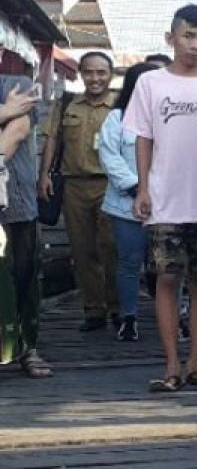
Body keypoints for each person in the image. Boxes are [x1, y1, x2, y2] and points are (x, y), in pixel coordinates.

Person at [127, 5, 197, 392]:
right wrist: (143, 186)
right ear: (170, 38)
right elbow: (144, 137)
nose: (195, 44)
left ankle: (195, 362)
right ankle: (171, 363)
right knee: (167, 279)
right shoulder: (150, 83)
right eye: (188, 36)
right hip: (165, 197)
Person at [38, 51, 119, 331]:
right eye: (89, 72)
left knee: (112, 249)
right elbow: (51, 140)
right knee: (83, 250)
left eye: (101, 73)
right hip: (74, 185)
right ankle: (94, 310)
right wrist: (44, 175)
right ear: (82, 74)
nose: (95, 78)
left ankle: (118, 307)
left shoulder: (122, 104)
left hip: (111, 185)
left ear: (111, 74)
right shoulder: (66, 104)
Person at [99, 62, 156, 342]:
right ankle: (129, 317)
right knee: (129, 262)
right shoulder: (117, 118)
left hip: (166, 203)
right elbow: (109, 156)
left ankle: (176, 316)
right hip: (126, 204)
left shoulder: (167, 116)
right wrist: (135, 187)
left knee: (168, 264)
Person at [0, 78, 52, 377]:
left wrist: (8, 112)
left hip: (16, 201)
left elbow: (18, 131)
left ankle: (27, 348)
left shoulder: (17, 83)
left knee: (24, 277)